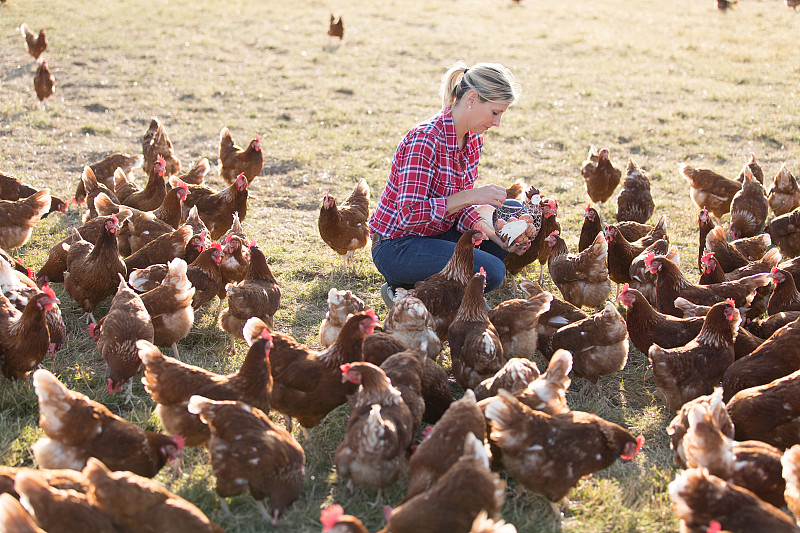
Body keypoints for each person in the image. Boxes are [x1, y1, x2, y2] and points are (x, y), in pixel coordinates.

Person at [369, 61, 526, 307]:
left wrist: (495, 235)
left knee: (512, 212)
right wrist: (472, 196)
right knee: (493, 272)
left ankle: (417, 290)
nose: (497, 123)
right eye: (495, 112)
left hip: (437, 233)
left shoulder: (473, 141)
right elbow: (409, 215)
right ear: (472, 98)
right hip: (398, 245)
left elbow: (458, 209)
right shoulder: (425, 140)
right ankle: (408, 288)